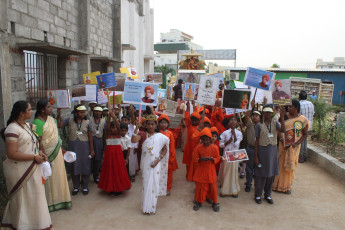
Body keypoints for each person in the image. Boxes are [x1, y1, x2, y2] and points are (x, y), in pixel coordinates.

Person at [1, 100, 52, 229]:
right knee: (23, 201)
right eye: (29, 110)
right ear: (21, 113)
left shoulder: (27, 126)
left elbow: (33, 146)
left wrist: (40, 153)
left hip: (33, 170)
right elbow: (12, 154)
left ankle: (37, 225)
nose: (32, 111)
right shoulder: (12, 129)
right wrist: (34, 157)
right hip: (20, 172)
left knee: (35, 199)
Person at [33, 99, 72, 212]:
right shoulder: (37, 123)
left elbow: (57, 138)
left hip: (57, 153)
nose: (51, 108)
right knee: (49, 178)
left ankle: (62, 200)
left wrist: (63, 150)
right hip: (46, 155)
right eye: (49, 107)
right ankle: (50, 203)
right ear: (42, 110)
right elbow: (38, 142)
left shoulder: (52, 120)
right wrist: (45, 157)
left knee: (59, 175)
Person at [131, 115, 169, 215]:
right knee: (146, 185)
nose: (150, 126)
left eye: (152, 124)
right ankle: (145, 207)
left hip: (156, 164)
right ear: (146, 125)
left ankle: (152, 207)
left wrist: (158, 160)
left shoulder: (160, 137)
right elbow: (133, 140)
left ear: (156, 125)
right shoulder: (142, 134)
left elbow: (165, 150)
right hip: (146, 164)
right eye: (148, 124)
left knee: (154, 185)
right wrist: (137, 128)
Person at [57, 104, 95, 195]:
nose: (83, 114)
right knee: (74, 166)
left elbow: (90, 138)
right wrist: (59, 113)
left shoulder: (88, 122)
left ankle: (85, 186)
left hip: (84, 147)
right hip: (73, 146)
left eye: (84, 112)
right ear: (76, 113)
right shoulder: (69, 120)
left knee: (85, 165)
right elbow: (59, 125)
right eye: (81, 112)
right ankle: (76, 186)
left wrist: (92, 150)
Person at [273, 100, 309, 194]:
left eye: (291, 106)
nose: (289, 108)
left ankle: (286, 187)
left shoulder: (302, 119)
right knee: (280, 164)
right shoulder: (284, 116)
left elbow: (305, 134)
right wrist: (282, 140)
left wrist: (296, 144)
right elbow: (278, 130)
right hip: (283, 145)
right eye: (288, 106)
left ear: (296, 108)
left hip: (294, 147)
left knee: (290, 166)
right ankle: (276, 185)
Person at [254, 105, 285, 205]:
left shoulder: (275, 123)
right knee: (261, 174)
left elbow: (283, 130)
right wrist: (256, 156)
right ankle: (258, 195)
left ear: (272, 114)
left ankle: (268, 194)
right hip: (262, 151)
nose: (268, 114)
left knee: (271, 174)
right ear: (263, 114)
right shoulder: (259, 125)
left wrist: (283, 117)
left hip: (272, 151)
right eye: (266, 112)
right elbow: (256, 141)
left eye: (269, 113)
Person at [98, 111, 131, 196]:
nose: (114, 129)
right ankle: (111, 188)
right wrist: (109, 117)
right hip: (109, 156)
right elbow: (108, 126)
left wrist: (115, 118)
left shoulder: (119, 135)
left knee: (118, 171)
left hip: (118, 156)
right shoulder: (108, 134)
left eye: (116, 128)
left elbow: (118, 127)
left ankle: (118, 188)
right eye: (113, 128)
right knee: (110, 171)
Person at [192, 128, 220, 212]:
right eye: (203, 140)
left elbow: (218, 157)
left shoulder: (215, 147)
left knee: (213, 187)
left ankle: (214, 202)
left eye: (207, 139)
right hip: (201, 169)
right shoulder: (198, 148)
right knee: (200, 186)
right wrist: (200, 159)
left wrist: (212, 160)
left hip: (211, 169)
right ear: (201, 140)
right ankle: (198, 201)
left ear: (210, 139)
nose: (205, 142)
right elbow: (194, 158)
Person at [219, 116, 243, 197]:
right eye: (231, 120)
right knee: (226, 171)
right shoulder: (225, 133)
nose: (233, 121)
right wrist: (227, 142)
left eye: (235, 120)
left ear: (237, 123)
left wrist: (234, 135)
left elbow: (237, 144)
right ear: (229, 123)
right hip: (226, 154)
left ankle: (234, 190)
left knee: (234, 171)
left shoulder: (239, 133)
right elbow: (221, 145)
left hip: (235, 154)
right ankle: (224, 190)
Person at [158, 114, 178, 195]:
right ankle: (159, 187)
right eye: (161, 122)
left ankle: (167, 188)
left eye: (165, 123)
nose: (163, 124)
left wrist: (172, 158)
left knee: (169, 173)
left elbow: (172, 146)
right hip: (159, 155)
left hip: (168, 155)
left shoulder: (170, 133)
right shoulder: (156, 132)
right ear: (158, 124)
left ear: (168, 124)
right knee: (159, 171)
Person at [242, 107, 261, 193]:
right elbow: (246, 117)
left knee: (258, 168)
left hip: (260, 150)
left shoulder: (262, 126)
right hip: (250, 148)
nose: (254, 117)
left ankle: (257, 185)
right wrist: (250, 106)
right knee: (249, 168)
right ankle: (248, 184)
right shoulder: (250, 125)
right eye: (253, 115)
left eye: (256, 115)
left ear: (260, 117)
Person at [182, 102, 201, 180]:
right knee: (188, 162)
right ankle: (188, 175)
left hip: (197, 147)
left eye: (196, 120)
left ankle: (195, 176)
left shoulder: (200, 127)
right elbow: (187, 117)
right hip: (189, 147)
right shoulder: (189, 125)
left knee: (196, 163)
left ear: (198, 121)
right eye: (192, 120)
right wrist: (188, 107)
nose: (194, 122)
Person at [89, 106, 106, 183]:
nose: (98, 113)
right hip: (91, 141)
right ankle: (87, 176)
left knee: (98, 159)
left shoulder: (103, 121)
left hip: (99, 141)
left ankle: (96, 176)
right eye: (96, 111)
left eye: (99, 111)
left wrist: (105, 144)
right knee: (90, 159)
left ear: (101, 112)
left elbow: (105, 133)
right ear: (93, 112)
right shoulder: (89, 119)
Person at [298, 90, 314, 163]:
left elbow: (298, 116)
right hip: (309, 125)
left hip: (301, 126)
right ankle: (305, 156)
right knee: (305, 140)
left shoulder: (299, 104)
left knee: (301, 141)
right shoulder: (311, 104)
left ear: (299, 97)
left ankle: (301, 157)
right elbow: (313, 114)